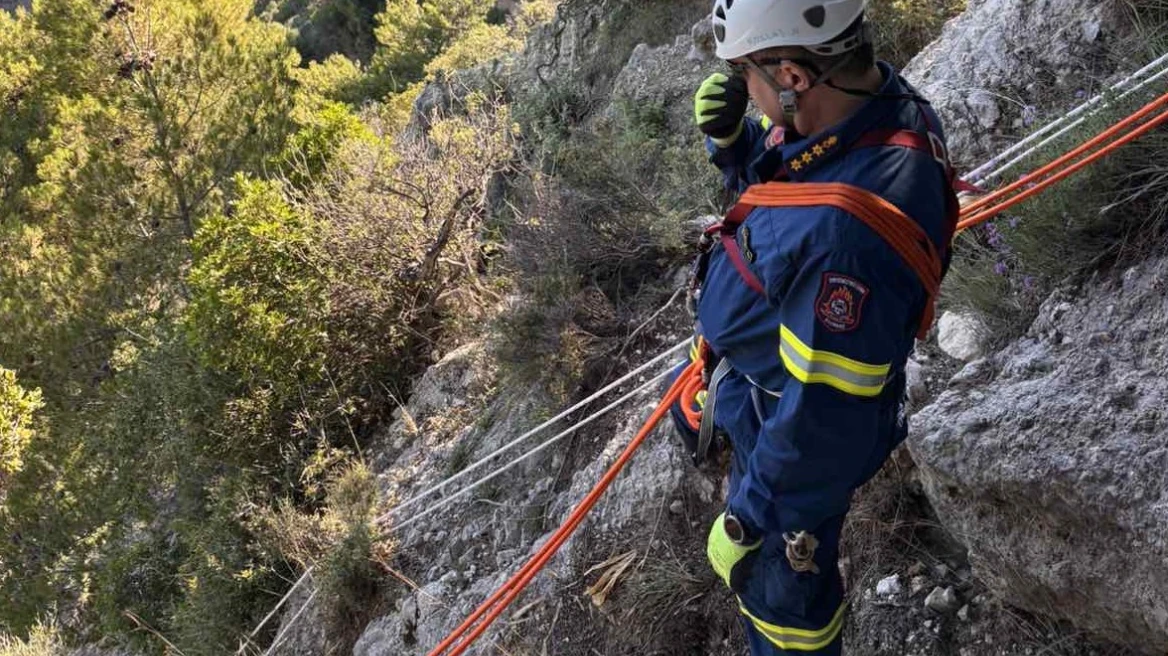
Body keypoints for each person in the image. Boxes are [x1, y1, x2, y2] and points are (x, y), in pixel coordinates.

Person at [672, 0, 958, 653]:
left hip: (787, 448)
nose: (744, 88)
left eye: (748, 74)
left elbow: (822, 420)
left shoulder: (844, 248)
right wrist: (736, 147)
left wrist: (751, 524)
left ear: (795, 76)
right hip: (765, 387)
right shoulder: (873, 106)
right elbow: (792, 193)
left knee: (784, 608)